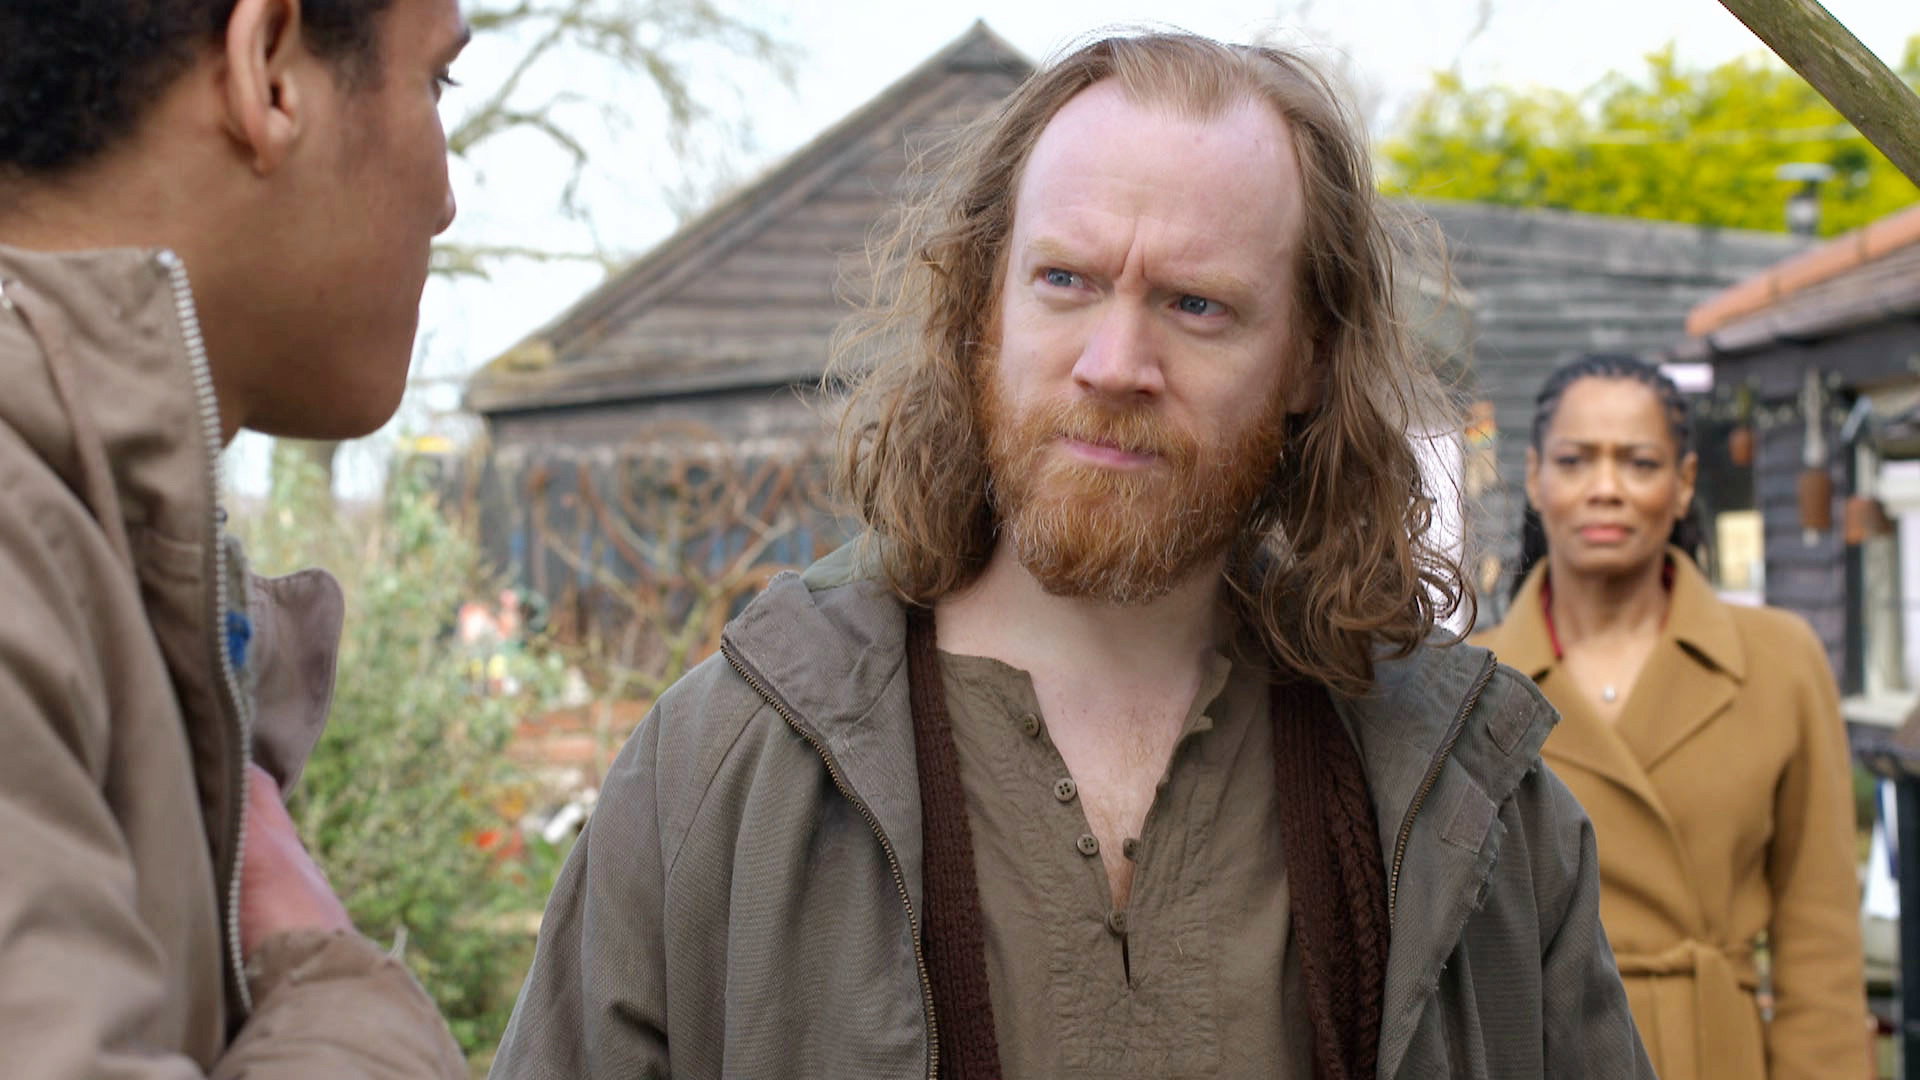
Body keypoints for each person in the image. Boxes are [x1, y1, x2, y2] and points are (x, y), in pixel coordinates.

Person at [492, 32, 1651, 1079]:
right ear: (981, 311)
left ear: (1309, 358)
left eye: (1196, 305)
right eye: (1064, 281)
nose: (1114, 362)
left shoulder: (1463, 801)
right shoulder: (720, 771)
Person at [0, 0, 472, 1075]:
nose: (446, 201)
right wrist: (344, 992)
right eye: (436, 82)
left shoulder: (82, 533)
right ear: (269, 72)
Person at [1471, 355, 1870, 1080]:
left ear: (1684, 483)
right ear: (1534, 478)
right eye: (1575, 460)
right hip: (1537, 1053)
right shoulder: (1472, 684)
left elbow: (1821, 943)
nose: (1606, 488)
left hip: (1715, 1049)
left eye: (1640, 462)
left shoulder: (1778, 662)